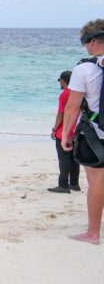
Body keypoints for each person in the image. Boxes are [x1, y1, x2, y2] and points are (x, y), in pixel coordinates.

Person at [61, 19, 104, 245]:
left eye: (85, 42)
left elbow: (73, 106)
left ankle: (93, 233)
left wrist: (66, 133)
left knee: (97, 179)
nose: (85, 47)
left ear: (93, 40)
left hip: (96, 133)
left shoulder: (84, 68)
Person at [49, 70, 81, 194]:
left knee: (64, 158)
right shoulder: (79, 93)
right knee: (74, 158)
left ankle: (63, 185)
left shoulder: (65, 94)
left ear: (63, 81)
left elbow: (61, 114)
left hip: (64, 131)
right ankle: (74, 183)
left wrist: (54, 129)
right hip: (77, 130)